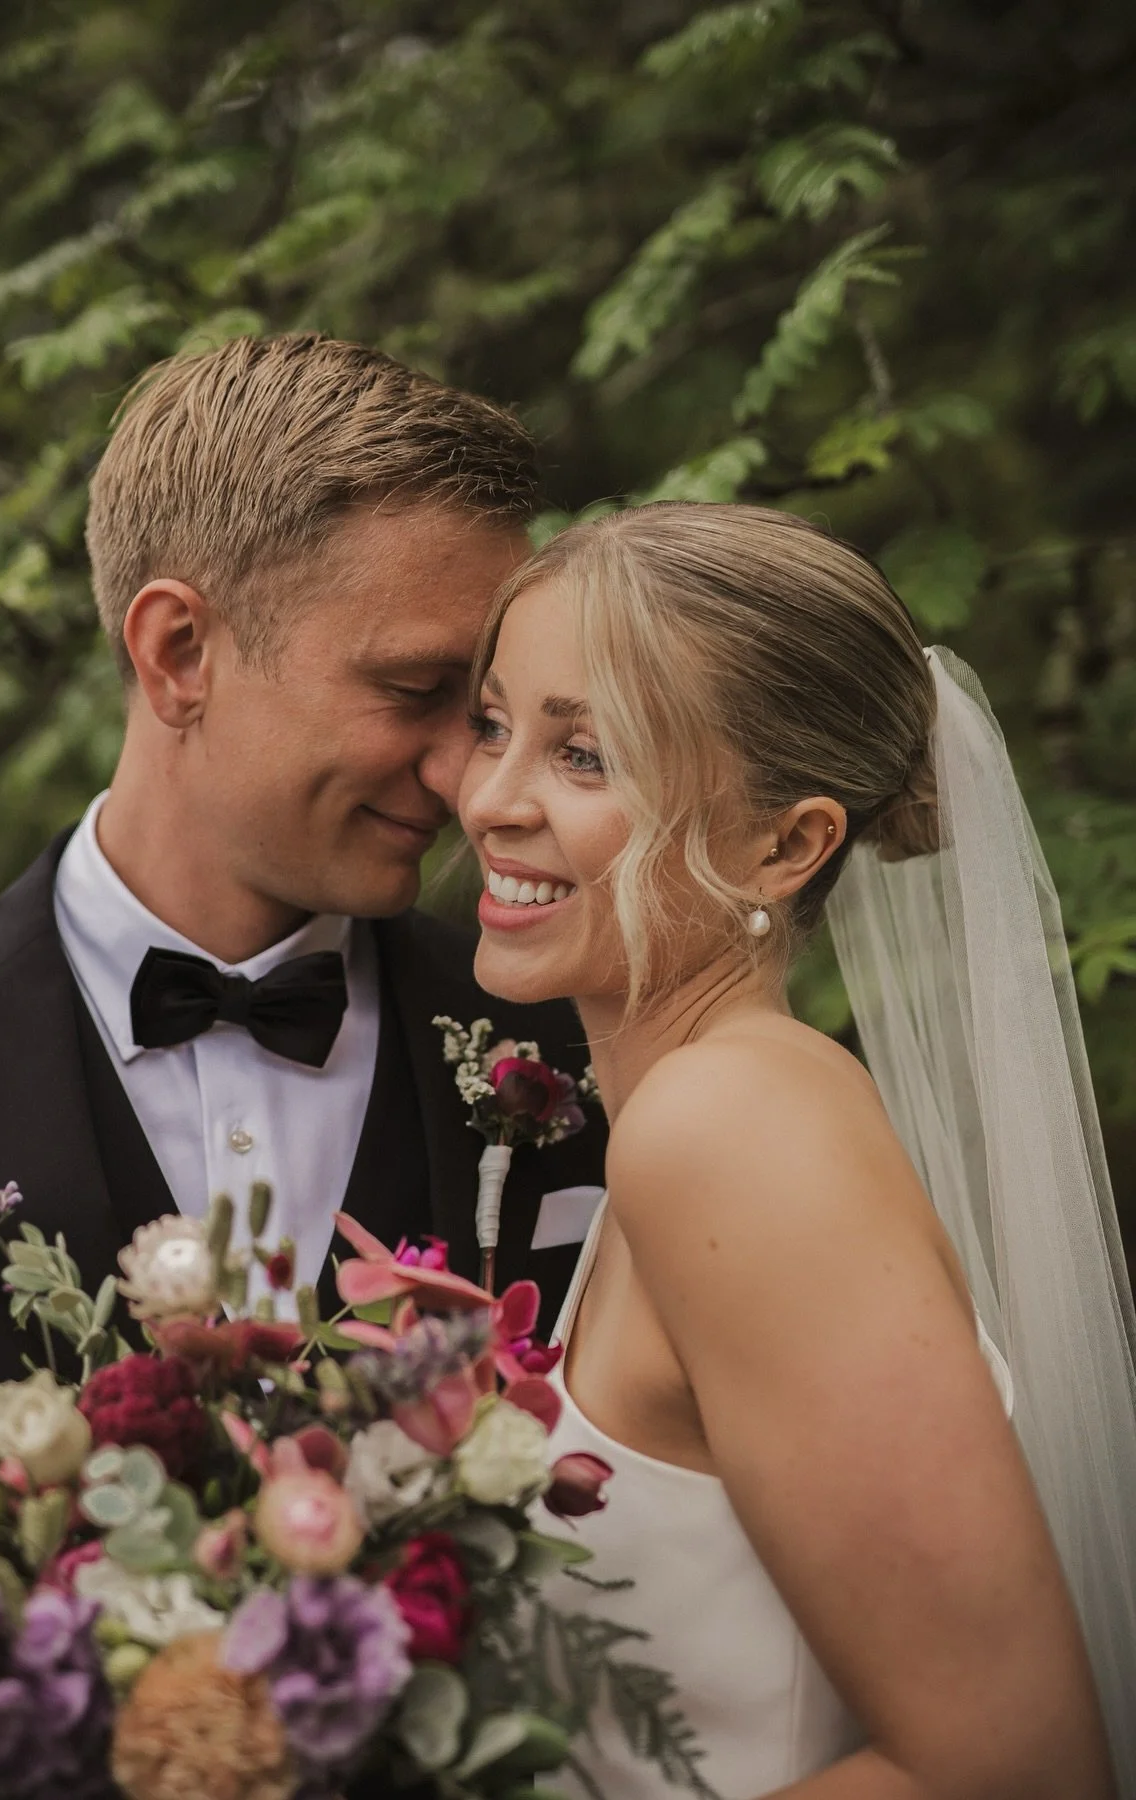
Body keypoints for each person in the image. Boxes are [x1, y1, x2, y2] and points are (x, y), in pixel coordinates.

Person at [0, 334, 607, 1796]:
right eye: (417, 690)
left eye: (485, 709)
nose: (467, 776)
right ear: (179, 651)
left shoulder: (570, 1058)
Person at [460, 501, 1136, 1798]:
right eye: (494, 725)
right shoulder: (695, 1116)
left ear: (787, 845)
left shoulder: (729, 1130)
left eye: (585, 755)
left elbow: (1014, 1769)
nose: (488, 800)